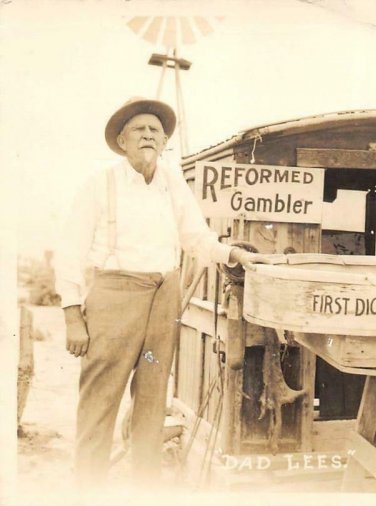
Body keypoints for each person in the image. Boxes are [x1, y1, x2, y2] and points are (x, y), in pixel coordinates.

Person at [54, 97, 259, 487]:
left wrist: (231, 254)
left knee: (152, 399)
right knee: (99, 402)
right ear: (122, 140)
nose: (148, 136)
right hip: (115, 297)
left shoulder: (171, 181)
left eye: (155, 131)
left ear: (164, 143)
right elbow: (69, 250)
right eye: (139, 130)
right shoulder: (100, 183)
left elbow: (195, 236)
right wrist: (71, 313)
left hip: (164, 299)